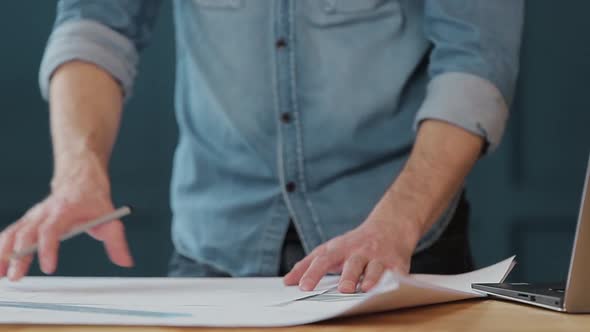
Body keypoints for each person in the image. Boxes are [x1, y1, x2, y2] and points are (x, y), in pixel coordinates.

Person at [0, 0, 523, 294]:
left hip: (400, 249)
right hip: (213, 255)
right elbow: (94, 26)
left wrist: (397, 222)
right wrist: (77, 172)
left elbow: (474, 64)